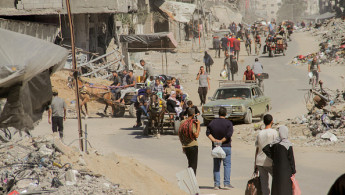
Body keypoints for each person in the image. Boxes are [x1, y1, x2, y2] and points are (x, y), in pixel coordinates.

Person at [206, 107, 234, 190]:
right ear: (225, 114)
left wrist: (215, 141)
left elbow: (208, 133)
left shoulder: (212, 122)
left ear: (218, 113)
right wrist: (221, 141)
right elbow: (229, 135)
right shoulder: (229, 123)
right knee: (227, 165)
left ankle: (216, 184)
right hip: (226, 146)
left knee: (216, 166)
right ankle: (226, 183)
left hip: (216, 147)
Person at [263, 126, 296, 195]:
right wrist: (293, 171)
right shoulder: (288, 145)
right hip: (287, 172)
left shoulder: (275, 145)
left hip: (277, 171)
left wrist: (273, 157)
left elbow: (265, 149)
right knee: (286, 189)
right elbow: (291, 159)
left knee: (277, 189)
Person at [254, 114, 278, 195]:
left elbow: (257, 149)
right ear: (272, 121)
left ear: (264, 122)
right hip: (270, 161)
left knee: (264, 183)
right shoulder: (274, 132)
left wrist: (255, 164)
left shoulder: (260, 133)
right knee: (277, 180)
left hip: (260, 161)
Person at [178, 108, 201, 175]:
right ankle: (192, 182)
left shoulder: (182, 122)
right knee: (193, 166)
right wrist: (198, 125)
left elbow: (180, 134)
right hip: (193, 145)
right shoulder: (193, 122)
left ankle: (190, 180)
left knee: (190, 164)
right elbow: (196, 135)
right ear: (193, 114)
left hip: (185, 146)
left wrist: (183, 144)